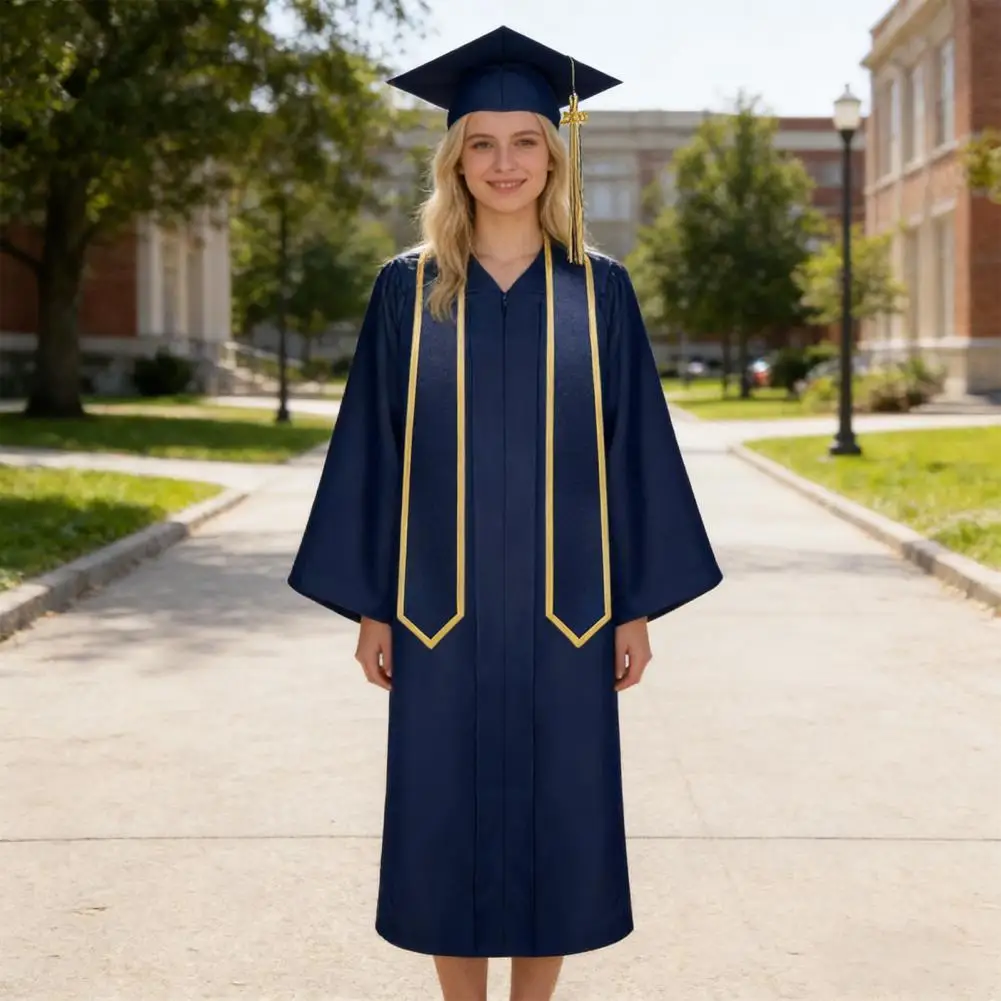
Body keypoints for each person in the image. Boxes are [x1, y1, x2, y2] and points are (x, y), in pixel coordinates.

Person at [288, 25, 723, 1001]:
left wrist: (633, 603)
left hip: (566, 614)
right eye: (479, 144)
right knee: (445, 821)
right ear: (453, 160)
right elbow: (371, 448)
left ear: (552, 155)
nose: (503, 163)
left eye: (523, 141)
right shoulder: (405, 292)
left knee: (556, 823)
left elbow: (633, 452)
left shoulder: (598, 291)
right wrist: (370, 602)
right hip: (436, 614)